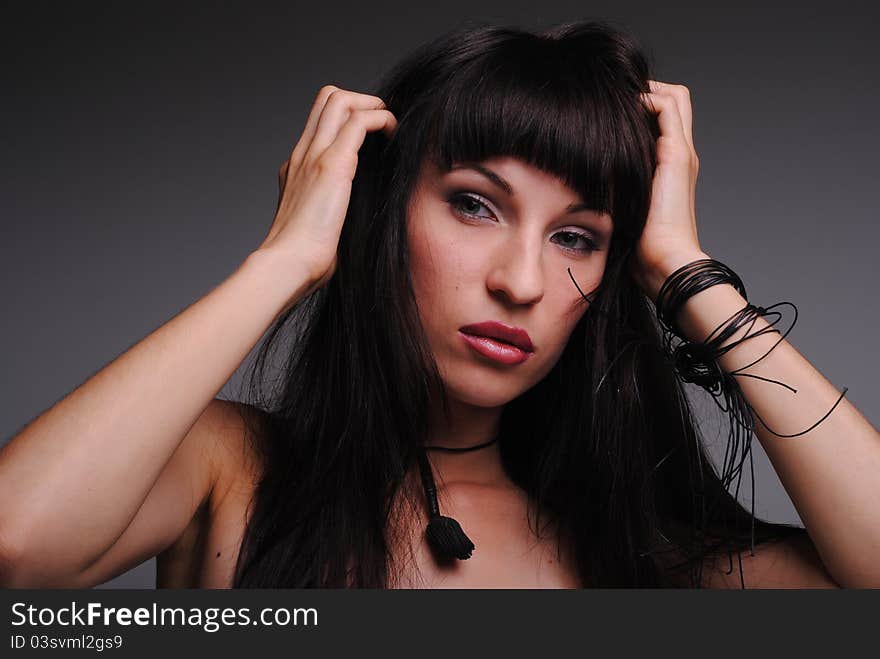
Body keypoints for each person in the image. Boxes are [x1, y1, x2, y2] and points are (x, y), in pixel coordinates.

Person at [1, 19, 877, 590]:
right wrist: (290, 258)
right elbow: (19, 546)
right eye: (473, 203)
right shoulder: (231, 469)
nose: (521, 281)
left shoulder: (646, 554)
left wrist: (686, 271)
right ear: (382, 211)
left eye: (577, 236)